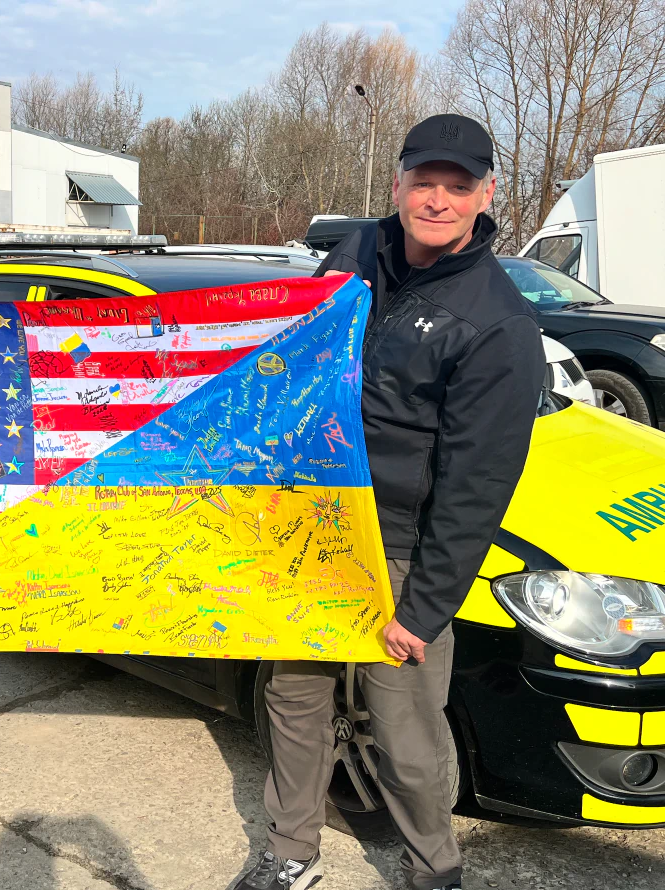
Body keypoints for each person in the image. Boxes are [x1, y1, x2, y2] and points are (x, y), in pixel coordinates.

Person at [239, 115, 545, 890]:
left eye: (458, 185)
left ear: (487, 194)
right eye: (424, 181)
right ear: (399, 181)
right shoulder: (354, 255)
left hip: (401, 554)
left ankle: (433, 866)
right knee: (295, 700)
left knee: (406, 730)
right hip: (312, 535)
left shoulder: (498, 321)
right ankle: (290, 852)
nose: (437, 200)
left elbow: (479, 483)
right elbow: (288, 357)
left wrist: (427, 608)